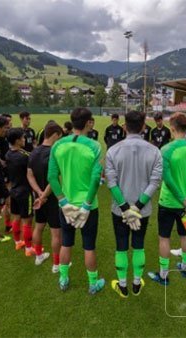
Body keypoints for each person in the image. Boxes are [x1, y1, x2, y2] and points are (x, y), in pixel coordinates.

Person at [105, 110, 163, 298]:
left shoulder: (113, 150)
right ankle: (136, 283)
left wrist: (125, 208)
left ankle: (123, 286)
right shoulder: (155, 151)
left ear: (124, 126)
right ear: (144, 127)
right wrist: (136, 207)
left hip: (119, 210)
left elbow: (111, 182)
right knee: (138, 244)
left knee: (121, 245)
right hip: (142, 210)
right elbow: (155, 182)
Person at [48, 107, 105, 294]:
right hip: (87, 206)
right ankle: (93, 284)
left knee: (66, 243)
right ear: (89, 122)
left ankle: (63, 279)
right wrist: (87, 206)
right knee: (89, 246)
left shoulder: (58, 145)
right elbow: (97, 178)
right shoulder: (94, 146)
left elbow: (52, 177)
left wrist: (64, 203)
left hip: (67, 206)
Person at [147, 112, 186, 286]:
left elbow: (168, 179)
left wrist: (183, 199)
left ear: (172, 129)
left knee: (164, 238)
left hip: (168, 201)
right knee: (185, 235)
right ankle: (184, 267)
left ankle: (164, 275)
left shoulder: (166, 149)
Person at [28, 122, 64, 271]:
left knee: (39, 227)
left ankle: (38, 256)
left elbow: (29, 175)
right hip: (51, 198)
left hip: (38, 198)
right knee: (56, 232)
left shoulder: (33, 152)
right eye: (60, 137)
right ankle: (56, 264)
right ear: (55, 135)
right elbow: (53, 178)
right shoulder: (55, 153)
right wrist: (44, 196)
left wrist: (39, 193)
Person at [5, 128, 35, 253]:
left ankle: (18, 242)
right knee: (27, 220)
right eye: (23, 138)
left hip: (14, 190)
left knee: (16, 217)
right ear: (17, 140)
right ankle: (29, 248)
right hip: (25, 191)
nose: (24, 139)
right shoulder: (25, 156)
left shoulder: (8, 154)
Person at [0, 113, 13, 233]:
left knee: (8, 198)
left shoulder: (8, 135)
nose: (9, 124)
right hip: (2, 172)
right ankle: (8, 225)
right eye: (7, 123)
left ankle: (8, 224)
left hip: (9, 170)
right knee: (7, 200)